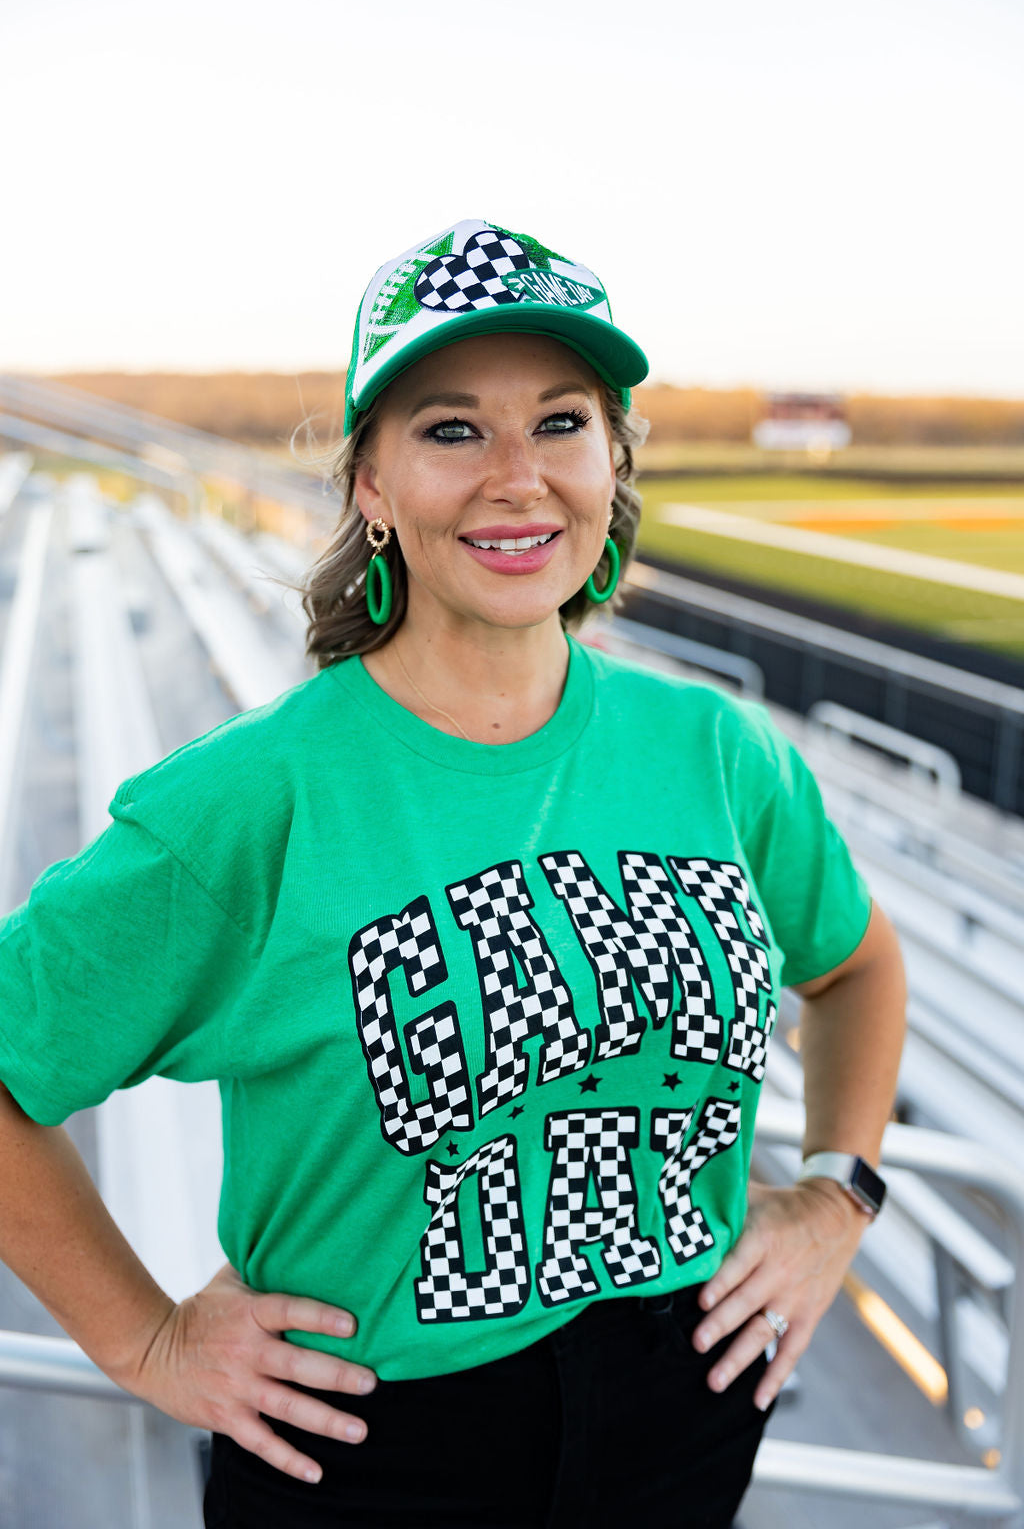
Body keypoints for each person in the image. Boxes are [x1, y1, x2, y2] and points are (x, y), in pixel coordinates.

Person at [0, 217, 907, 1529]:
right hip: (373, 1459)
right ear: (368, 481)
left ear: (612, 462)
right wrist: (144, 1341)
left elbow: (857, 965)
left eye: (560, 422)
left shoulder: (716, 751)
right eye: (449, 428)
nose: (517, 476)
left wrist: (839, 1190)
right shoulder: (252, 802)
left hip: (685, 1417)